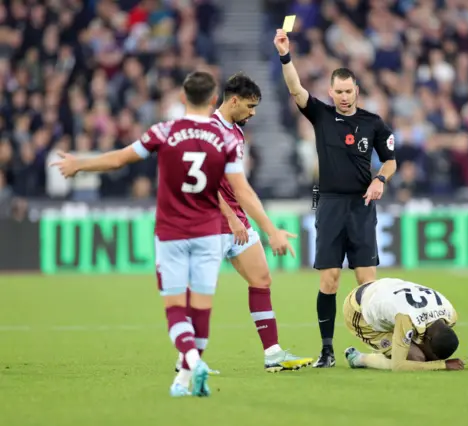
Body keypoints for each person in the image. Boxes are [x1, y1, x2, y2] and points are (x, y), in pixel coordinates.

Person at [51, 71, 296, 397]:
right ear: (219, 99)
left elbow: (121, 159)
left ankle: (214, 360)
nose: (252, 113)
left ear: (183, 98)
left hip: (183, 230)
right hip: (212, 229)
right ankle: (188, 371)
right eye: (249, 106)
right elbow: (237, 189)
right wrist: (262, 227)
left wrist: (81, 163)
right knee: (200, 306)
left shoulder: (168, 131)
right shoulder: (221, 137)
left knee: (200, 300)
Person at [274, 29, 398, 368]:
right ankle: (327, 351)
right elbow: (295, 89)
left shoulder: (372, 123)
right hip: (327, 202)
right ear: (331, 92)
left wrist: (380, 180)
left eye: (348, 91)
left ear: (356, 90)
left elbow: (390, 159)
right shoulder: (321, 115)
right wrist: (286, 56)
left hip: (362, 205)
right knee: (329, 279)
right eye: (338, 91)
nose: (343, 96)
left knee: (366, 282)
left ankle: (379, 346)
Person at [175, 73, 313, 374]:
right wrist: (231, 218)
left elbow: (238, 187)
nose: (253, 113)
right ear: (233, 100)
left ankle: (273, 353)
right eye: (250, 106)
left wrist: (249, 222)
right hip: (208, 222)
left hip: (235, 221)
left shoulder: (235, 133)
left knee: (262, 279)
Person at [343, 278, 464, 372]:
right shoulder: (407, 317)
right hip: (358, 309)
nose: (434, 358)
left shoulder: (450, 314)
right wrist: (441, 365)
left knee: (417, 356)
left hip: (384, 289)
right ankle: (359, 359)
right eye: (434, 355)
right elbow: (398, 366)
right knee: (416, 358)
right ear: (428, 338)